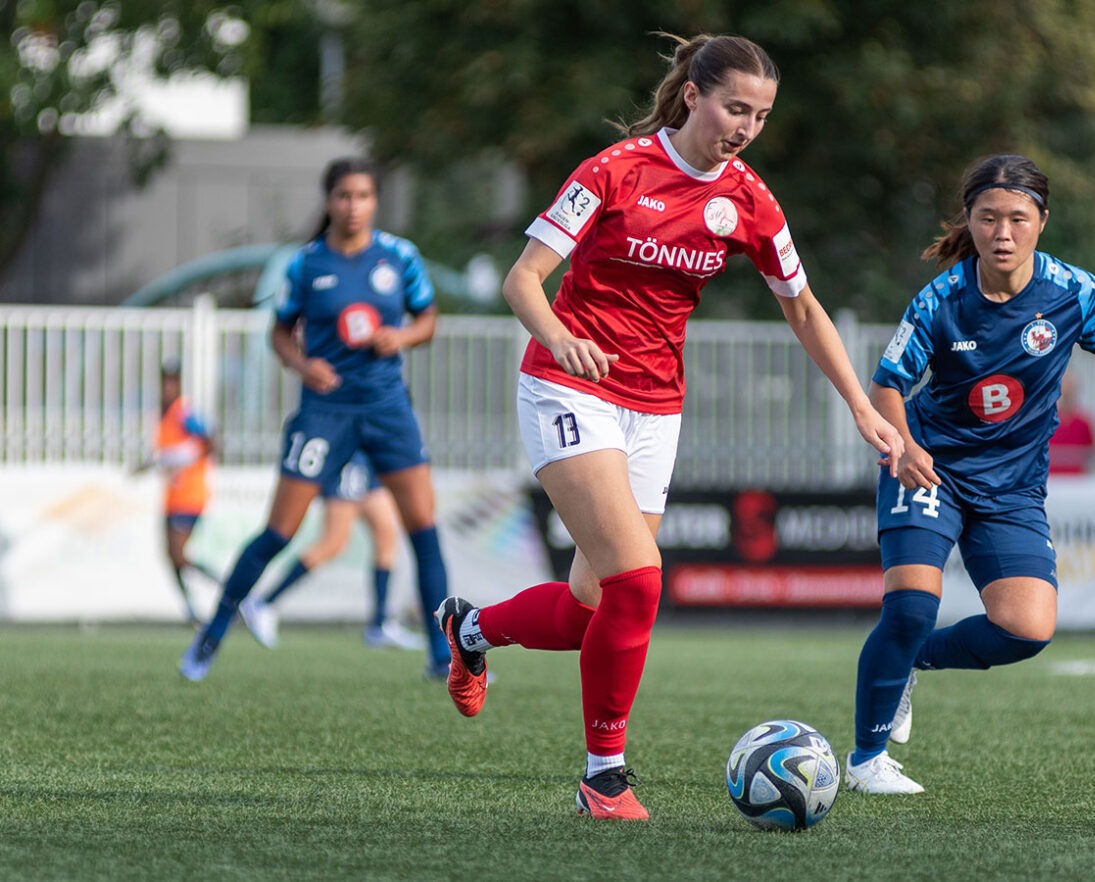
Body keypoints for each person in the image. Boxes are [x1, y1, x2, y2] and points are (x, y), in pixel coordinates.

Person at [431, 32, 903, 821]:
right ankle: (604, 777)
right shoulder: (612, 172)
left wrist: (859, 403)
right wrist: (560, 338)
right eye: (735, 107)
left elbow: (804, 306)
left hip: (656, 408)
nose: (746, 126)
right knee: (639, 580)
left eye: (760, 115)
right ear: (694, 96)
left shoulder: (749, 198)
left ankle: (470, 629)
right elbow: (524, 281)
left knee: (593, 603)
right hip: (566, 389)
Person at [845, 154, 1095, 795]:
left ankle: (910, 663)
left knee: (1027, 628)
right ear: (970, 222)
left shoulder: (1074, 292)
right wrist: (901, 445)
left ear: (1042, 221)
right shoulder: (941, 300)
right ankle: (867, 759)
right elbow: (886, 387)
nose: (1002, 233)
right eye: (987, 219)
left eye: (1017, 218)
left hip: (1011, 488)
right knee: (909, 608)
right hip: (930, 470)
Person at [180, 156, 454, 681]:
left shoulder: (400, 257)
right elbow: (280, 332)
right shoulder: (306, 265)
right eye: (344, 196)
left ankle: (442, 657)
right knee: (279, 531)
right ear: (329, 201)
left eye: (364, 196)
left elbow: (429, 319)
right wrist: (303, 364)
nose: (354, 207)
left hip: (386, 406)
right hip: (324, 412)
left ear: (376, 202)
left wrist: (402, 336)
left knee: (423, 529)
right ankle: (212, 632)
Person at [237, 450, 424, 651]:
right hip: (349, 459)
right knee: (332, 544)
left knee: (386, 537)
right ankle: (264, 603)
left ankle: (379, 624)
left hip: (371, 461)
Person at [142, 357, 222, 624]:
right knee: (171, 557)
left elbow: (211, 442)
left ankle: (230, 590)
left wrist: (184, 457)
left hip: (191, 495)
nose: (168, 388)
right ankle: (192, 610)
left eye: (172, 382)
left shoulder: (184, 413)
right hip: (173, 496)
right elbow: (164, 455)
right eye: (165, 382)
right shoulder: (163, 415)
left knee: (178, 554)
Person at [1047, 368, 1095, 475]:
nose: (1067, 395)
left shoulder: (1083, 423)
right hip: (1052, 479)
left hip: (1076, 481)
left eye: (1070, 391)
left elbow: (1092, 451)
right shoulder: (1048, 421)